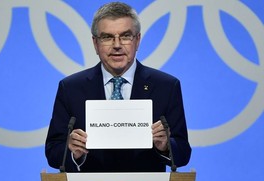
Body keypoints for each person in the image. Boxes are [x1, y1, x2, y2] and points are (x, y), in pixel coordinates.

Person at [45, 2, 191, 172]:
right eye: (107, 37)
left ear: (137, 40)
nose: (117, 45)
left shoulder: (166, 86)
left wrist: (166, 146)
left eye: (126, 36)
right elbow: (52, 152)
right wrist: (71, 151)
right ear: (95, 43)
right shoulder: (70, 88)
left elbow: (183, 153)